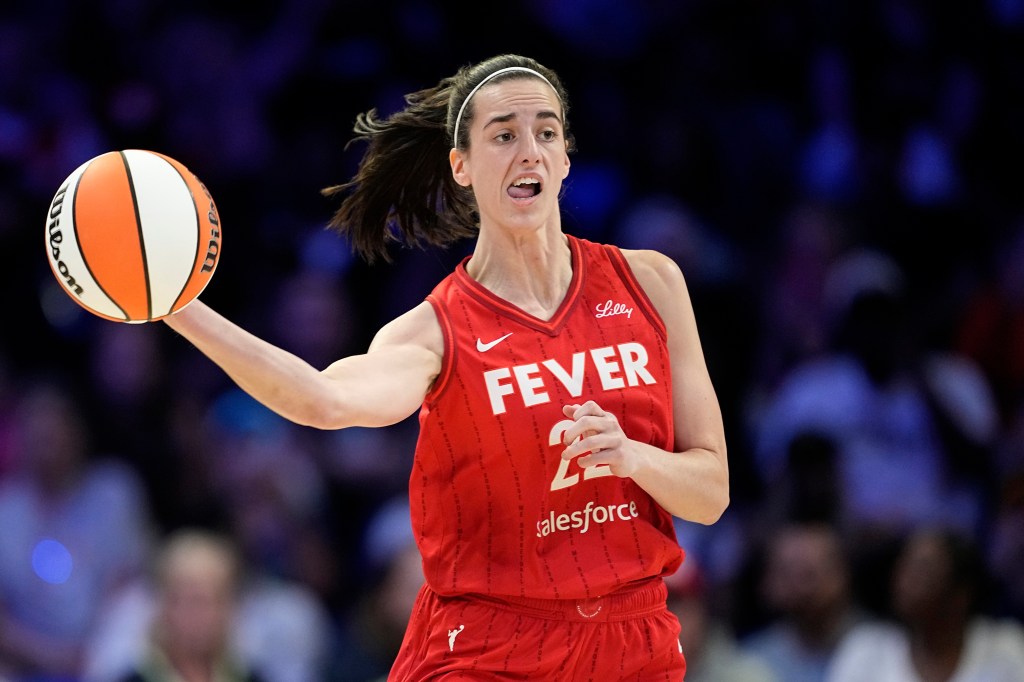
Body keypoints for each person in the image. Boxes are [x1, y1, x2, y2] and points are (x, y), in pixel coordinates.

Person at [161, 53, 729, 680]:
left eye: (546, 132)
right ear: (461, 165)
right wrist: (179, 308)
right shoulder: (434, 331)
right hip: (488, 650)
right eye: (503, 135)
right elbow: (323, 401)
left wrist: (632, 457)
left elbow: (710, 494)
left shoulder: (650, 282)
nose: (529, 151)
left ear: (566, 157)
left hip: (634, 642)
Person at [826, 526, 1024, 682]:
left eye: (922, 570)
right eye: (903, 567)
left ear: (960, 594)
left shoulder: (1006, 649)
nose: (903, 581)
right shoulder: (865, 651)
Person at [116, 529, 267, 682]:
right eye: (188, 601)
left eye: (207, 601)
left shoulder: (251, 677)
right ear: (164, 607)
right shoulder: (134, 679)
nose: (197, 615)